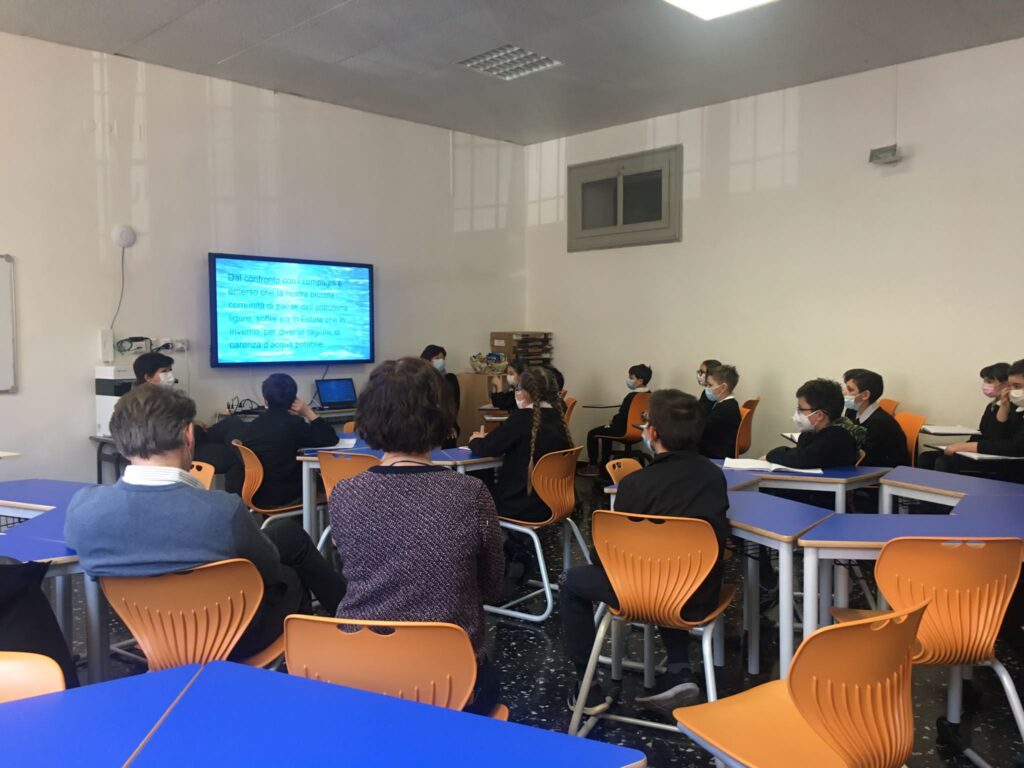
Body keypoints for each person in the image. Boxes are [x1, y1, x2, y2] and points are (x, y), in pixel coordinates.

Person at [65, 384, 345, 660]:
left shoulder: (84, 510)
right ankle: (339, 634)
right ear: (188, 435)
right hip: (231, 637)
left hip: (149, 634)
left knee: (285, 534)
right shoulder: (222, 512)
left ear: (121, 441)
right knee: (291, 569)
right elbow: (269, 571)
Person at [329, 357, 504, 715]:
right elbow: (490, 585)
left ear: (368, 417)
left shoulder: (344, 493)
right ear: (442, 417)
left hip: (357, 670)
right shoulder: (470, 493)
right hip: (451, 677)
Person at [560, 389, 728, 717]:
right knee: (674, 565)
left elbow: (606, 558)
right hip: (697, 594)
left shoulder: (635, 484)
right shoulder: (713, 476)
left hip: (641, 593)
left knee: (571, 581)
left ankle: (586, 686)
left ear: (653, 433)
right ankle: (679, 668)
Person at [468, 367, 573, 522]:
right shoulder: (557, 418)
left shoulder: (521, 419)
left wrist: (475, 440)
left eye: (518, 388)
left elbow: (487, 447)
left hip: (520, 505)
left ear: (525, 392)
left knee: (476, 484)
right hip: (555, 503)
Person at [133, 351, 243, 493]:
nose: (170, 375)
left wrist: (192, 423)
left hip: (192, 439)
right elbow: (168, 435)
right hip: (177, 450)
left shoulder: (164, 396)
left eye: (170, 370)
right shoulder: (144, 403)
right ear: (147, 377)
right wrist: (193, 428)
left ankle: (250, 454)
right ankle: (239, 501)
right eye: (164, 371)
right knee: (235, 457)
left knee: (232, 422)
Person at [238, 373, 338, 508]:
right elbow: (330, 439)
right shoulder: (295, 425)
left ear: (265, 401)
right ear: (294, 400)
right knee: (322, 480)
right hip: (287, 496)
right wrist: (308, 412)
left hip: (257, 495)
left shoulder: (253, 426)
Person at [918, 362, 1017, 473]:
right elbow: (983, 432)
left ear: (1006, 384)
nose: (985, 385)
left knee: (944, 462)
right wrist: (963, 446)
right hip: (982, 450)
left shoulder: (1013, 408)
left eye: (989, 382)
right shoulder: (992, 406)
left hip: (996, 456)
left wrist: (966, 447)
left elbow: (999, 438)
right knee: (926, 457)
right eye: (984, 381)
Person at [942, 358, 1024, 477]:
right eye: (1010, 386)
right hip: (1007, 463)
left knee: (947, 463)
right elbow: (998, 437)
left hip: (1014, 468)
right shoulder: (1017, 407)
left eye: (1017, 386)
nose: (1011, 391)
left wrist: (964, 447)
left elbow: (1014, 447)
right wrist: (1004, 407)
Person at [765, 378, 862, 468]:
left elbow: (803, 459)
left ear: (819, 415)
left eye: (801, 409)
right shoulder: (813, 432)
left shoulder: (838, 435)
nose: (797, 413)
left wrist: (772, 454)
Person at [579, 364, 653, 477]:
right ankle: (604, 464)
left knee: (592, 433)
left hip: (623, 430)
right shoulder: (649, 395)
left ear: (640, 381)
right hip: (640, 431)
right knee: (606, 433)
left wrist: (612, 421)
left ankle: (593, 466)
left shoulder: (631, 396)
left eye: (631, 378)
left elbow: (622, 417)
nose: (628, 380)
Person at [842, 368, 909, 467]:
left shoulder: (880, 424)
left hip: (885, 471)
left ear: (865, 395)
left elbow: (868, 459)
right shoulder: (851, 412)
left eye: (850, 390)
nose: (844, 392)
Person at [698, 364, 741, 460]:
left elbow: (703, 427)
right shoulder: (722, 404)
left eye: (710, 385)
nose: (707, 389)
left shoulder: (726, 409)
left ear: (723, 387)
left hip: (717, 456)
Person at [421, 344, 461, 412]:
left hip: (446, 416)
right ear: (427, 360)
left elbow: (454, 404)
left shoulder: (450, 379)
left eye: (443, 359)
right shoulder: (419, 380)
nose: (442, 362)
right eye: (437, 358)